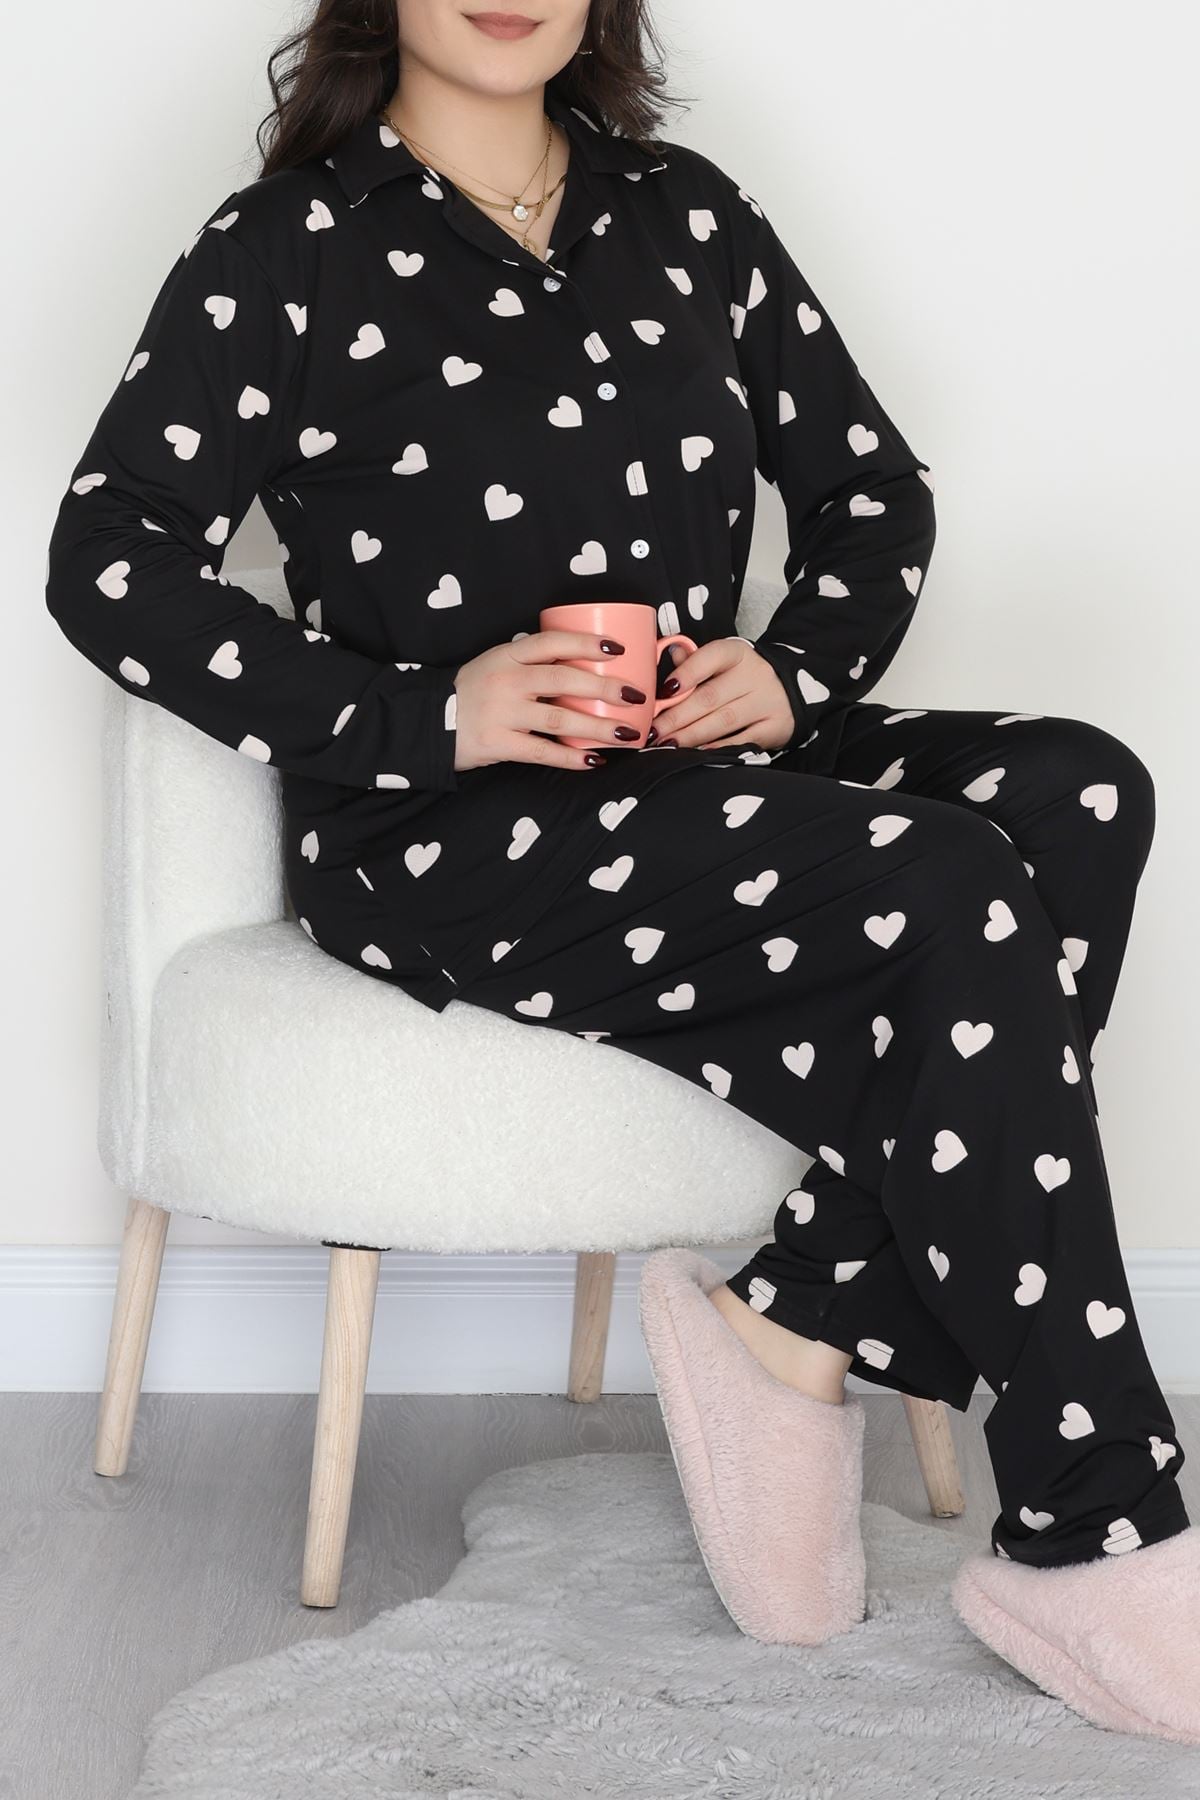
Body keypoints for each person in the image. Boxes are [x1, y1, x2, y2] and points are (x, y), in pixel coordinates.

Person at [44, 0, 1198, 1748]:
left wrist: (794, 672)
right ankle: (1094, 1524)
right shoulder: (287, 247)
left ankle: (789, 1328)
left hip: (700, 775)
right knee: (952, 878)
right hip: (448, 832)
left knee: (1078, 792)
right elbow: (108, 557)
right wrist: (423, 712)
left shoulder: (687, 214)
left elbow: (871, 489)